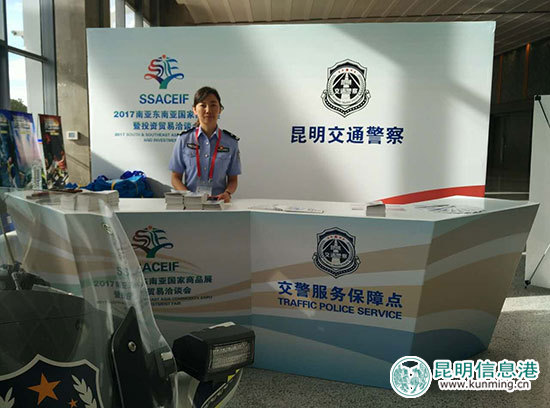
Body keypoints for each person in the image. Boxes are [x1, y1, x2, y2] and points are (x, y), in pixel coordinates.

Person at [169, 87, 241, 202]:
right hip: (191, 205)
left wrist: (227, 193)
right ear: (194, 110)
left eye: (213, 105)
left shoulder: (231, 142)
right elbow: (175, 178)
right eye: (203, 105)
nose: (208, 110)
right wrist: (188, 196)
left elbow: (233, 180)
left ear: (220, 109)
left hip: (219, 204)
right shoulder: (183, 139)